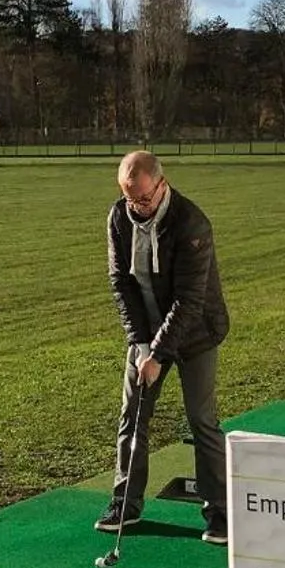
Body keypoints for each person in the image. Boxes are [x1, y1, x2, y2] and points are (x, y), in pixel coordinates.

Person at [104, 151, 231, 543]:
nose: (137, 207)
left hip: (196, 333)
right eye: (130, 199)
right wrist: (141, 344)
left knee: (201, 420)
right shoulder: (118, 218)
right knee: (132, 416)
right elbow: (121, 284)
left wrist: (159, 355)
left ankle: (219, 511)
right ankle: (125, 502)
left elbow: (189, 301)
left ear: (162, 185)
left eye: (143, 198)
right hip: (147, 331)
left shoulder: (192, 223)